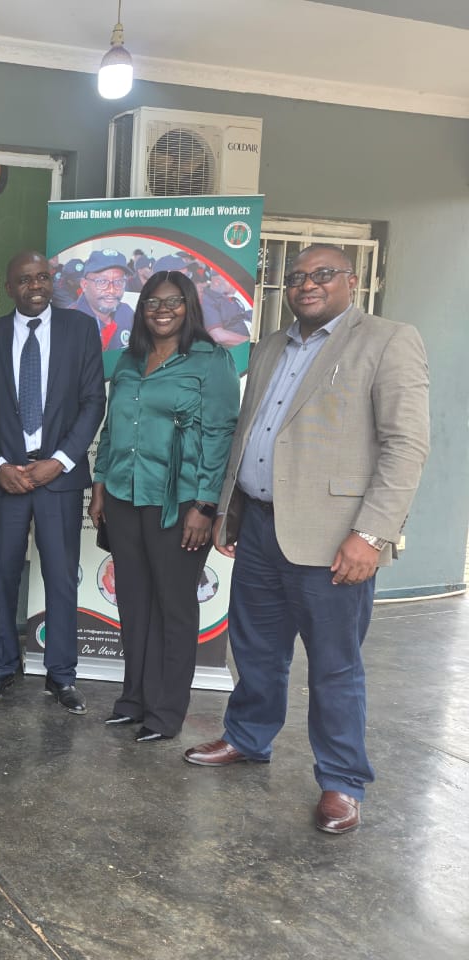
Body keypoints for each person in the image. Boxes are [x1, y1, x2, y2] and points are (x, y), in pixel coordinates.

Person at [184, 244, 430, 835]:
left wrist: (370, 534)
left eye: (322, 275)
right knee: (256, 650)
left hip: (334, 539)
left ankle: (342, 781)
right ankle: (248, 737)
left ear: (352, 281)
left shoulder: (388, 340)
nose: (307, 285)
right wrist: (230, 511)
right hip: (263, 528)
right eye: (295, 278)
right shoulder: (270, 346)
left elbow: (406, 446)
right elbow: (252, 434)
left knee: (334, 665)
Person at [88, 270, 240, 744]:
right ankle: (133, 698)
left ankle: (166, 711)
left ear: (189, 306)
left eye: (173, 301)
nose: (162, 310)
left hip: (179, 503)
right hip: (124, 495)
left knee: (173, 607)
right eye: (153, 302)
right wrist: (98, 484)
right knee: (134, 603)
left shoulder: (211, 361)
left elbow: (220, 436)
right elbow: (112, 429)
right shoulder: (130, 360)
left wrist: (205, 505)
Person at [0, 251, 105, 712]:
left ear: (53, 281)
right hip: (6, 478)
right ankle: (3, 667)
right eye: (25, 279)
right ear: (9, 287)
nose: (36, 286)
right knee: (2, 573)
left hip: (58, 479)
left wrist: (61, 460)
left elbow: (92, 403)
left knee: (61, 578)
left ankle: (62, 675)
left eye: (43, 277)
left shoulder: (80, 331)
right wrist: (1, 463)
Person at [74, 249, 135, 352]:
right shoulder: (69, 321)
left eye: (119, 281)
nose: (111, 290)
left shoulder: (127, 313)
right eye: (102, 281)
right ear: (84, 285)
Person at [199, 271, 252, 346]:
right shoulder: (206, 299)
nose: (235, 286)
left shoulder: (226, 297)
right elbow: (217, 335)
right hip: (240, 349)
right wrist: (250, 341)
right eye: (232, 282)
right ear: (217, 282)